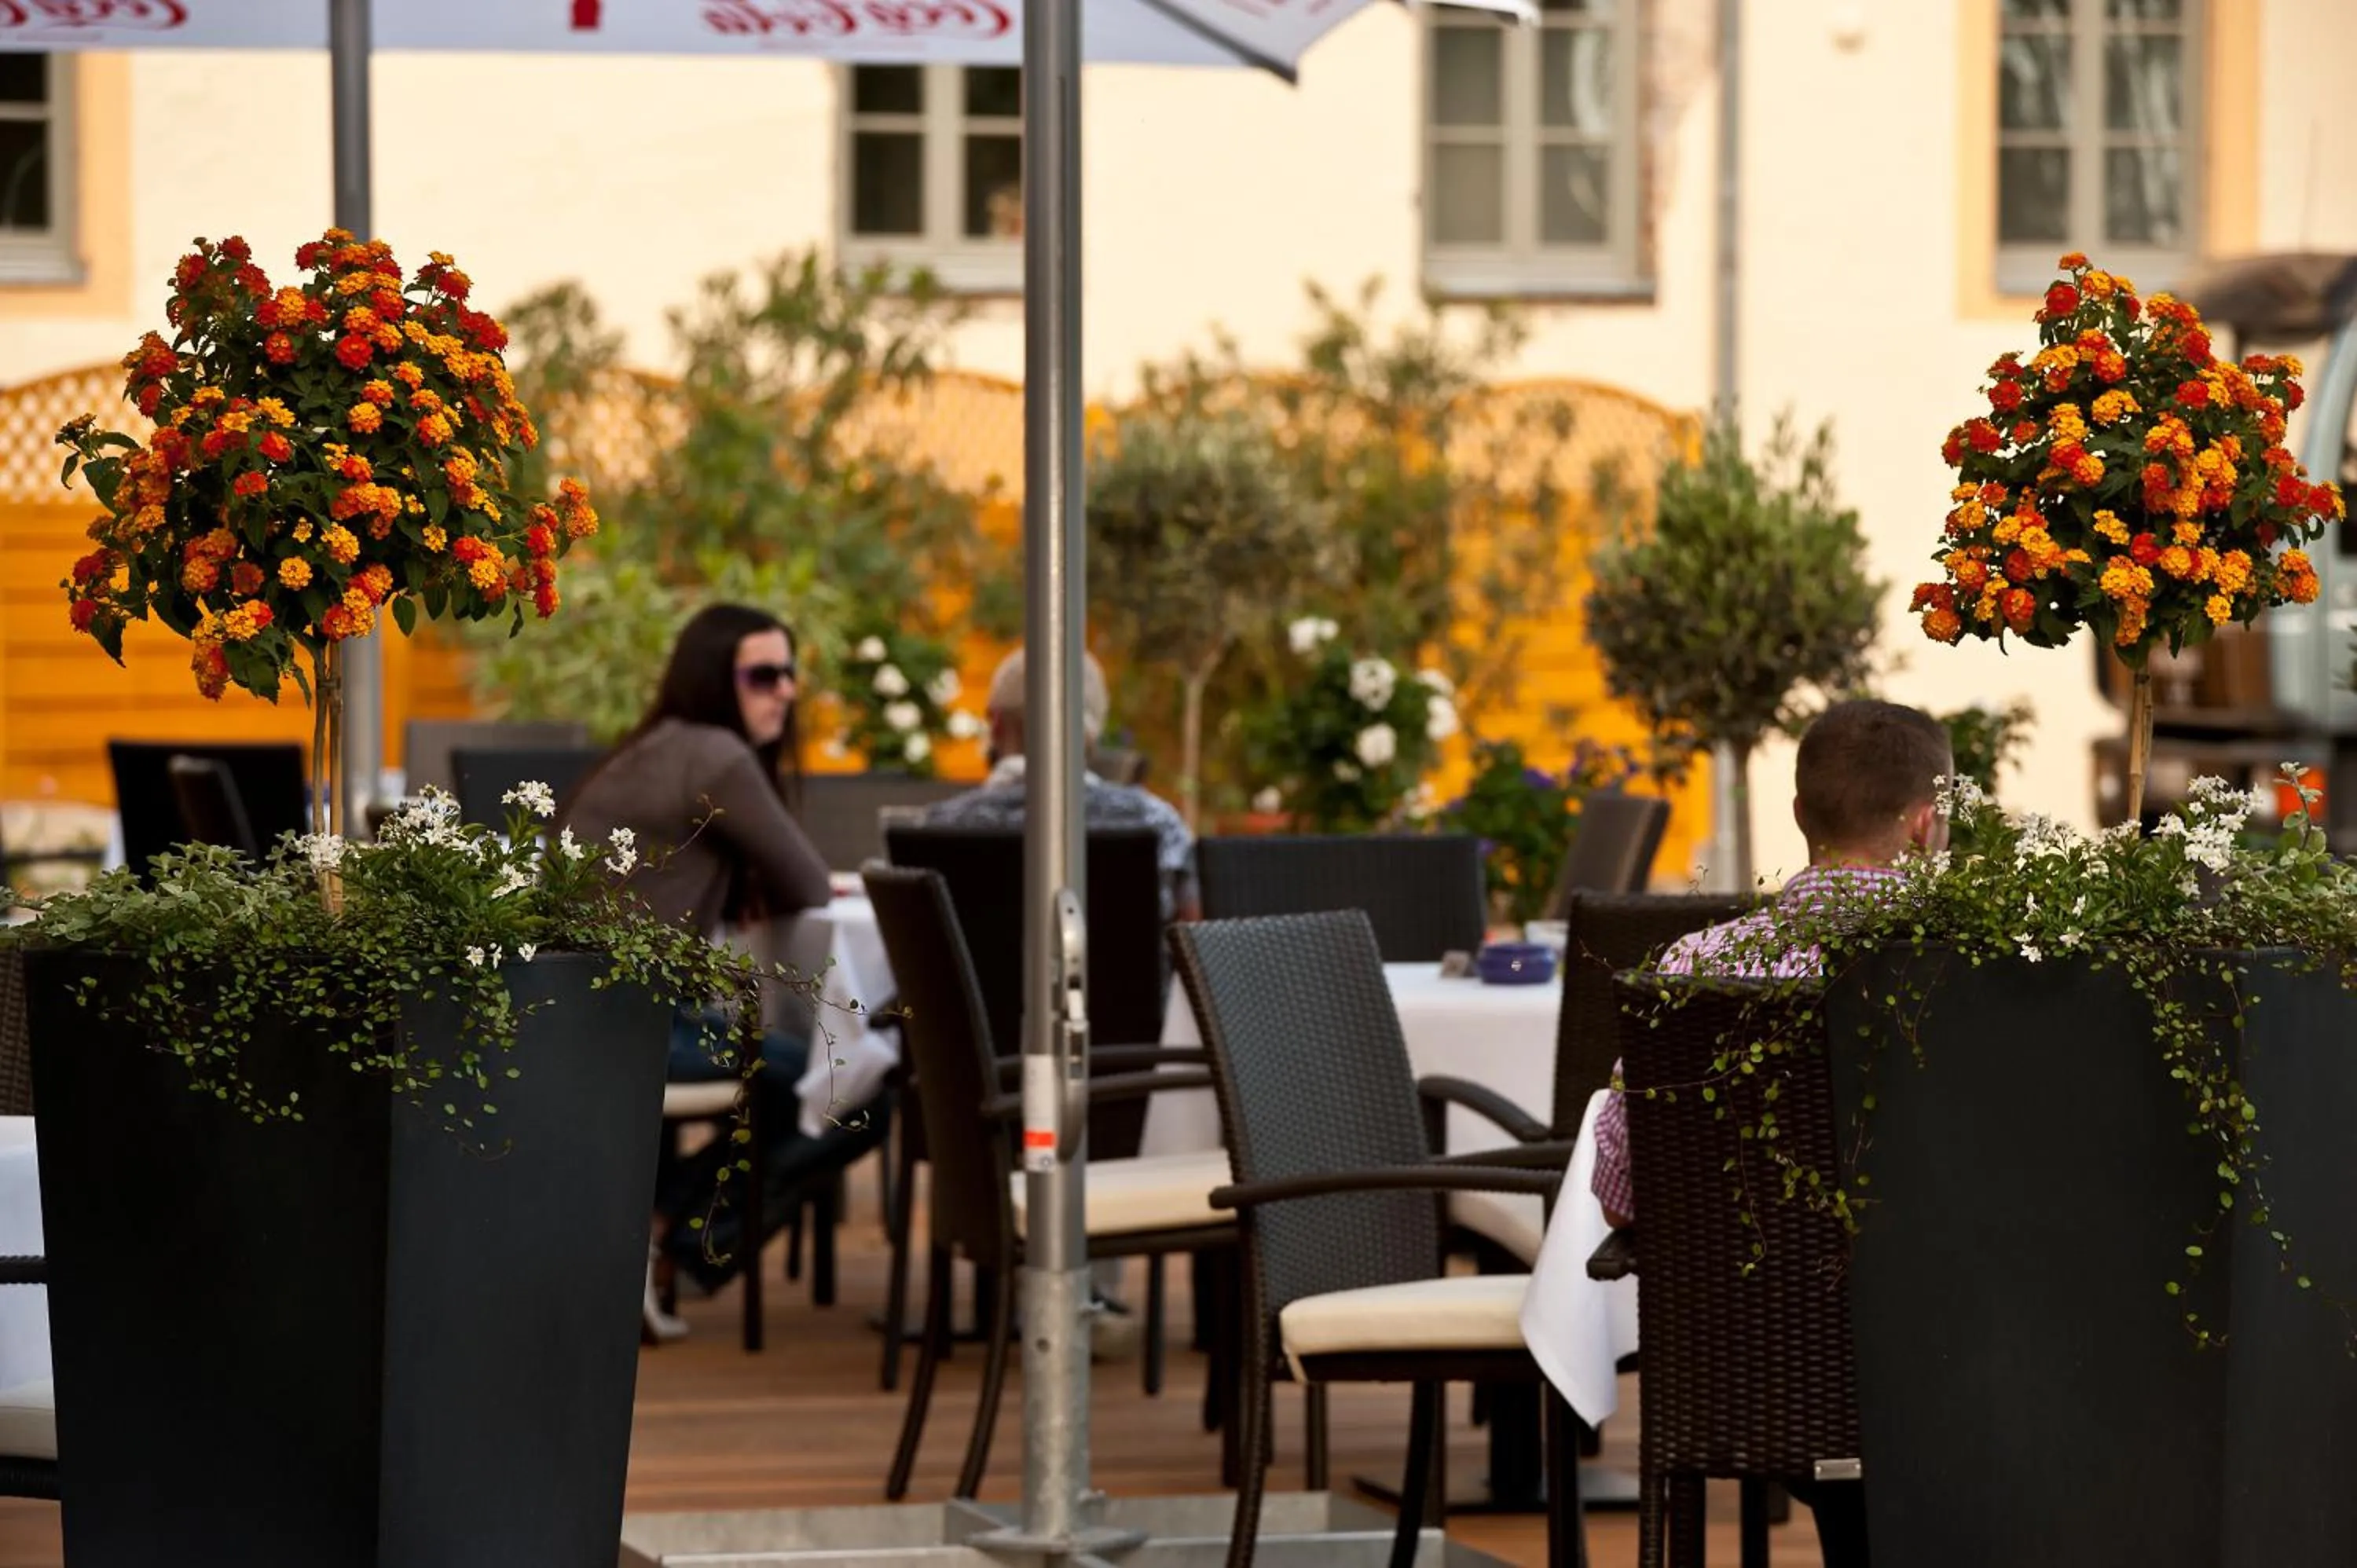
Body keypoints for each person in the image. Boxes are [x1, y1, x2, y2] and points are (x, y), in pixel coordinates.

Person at [563, 603, 881, 1340]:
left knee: (810, 1074)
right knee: (852, 1088)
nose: (786, 691)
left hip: (586, 1016)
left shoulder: (654, 747)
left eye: (789, 674)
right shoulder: (715, 757)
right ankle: (666, 1238)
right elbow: (807, 882)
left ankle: (652, 1229)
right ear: (715, 680)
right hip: (636, 1029)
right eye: (764, 675)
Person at [1589, 698, 1952, 1229]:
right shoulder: (1981, 967)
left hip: (1731, 1282)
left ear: (1800, 813)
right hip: (1945, 1279)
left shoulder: (1694, 966)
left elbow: (1620, 1205)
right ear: (1924, 824)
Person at [924, 648, 1197, 919]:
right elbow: (1198, 936)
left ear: (996, 723)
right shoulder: (1156, 822)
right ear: (1094, 729)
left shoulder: (939, 826)